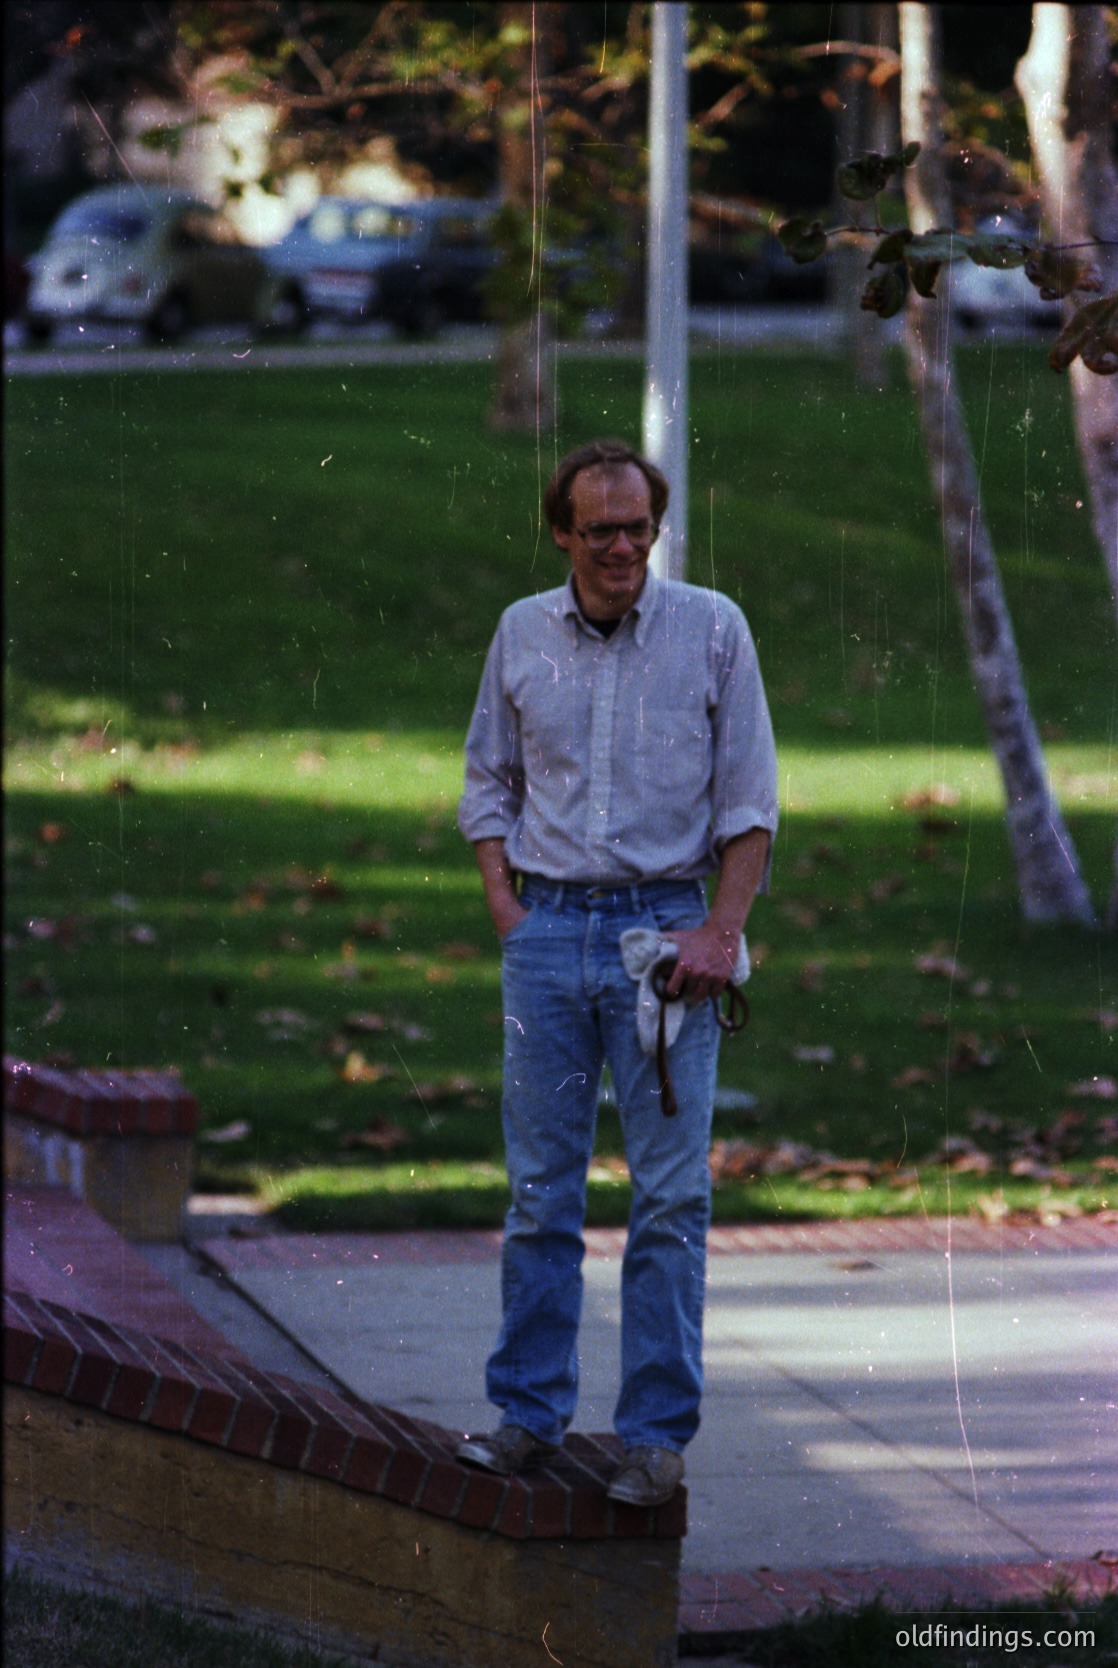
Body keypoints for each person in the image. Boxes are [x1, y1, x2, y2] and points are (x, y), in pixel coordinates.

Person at [455, 439, 778, 1507]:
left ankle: (651, 1439)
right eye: (600, 529)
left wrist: (716, 937)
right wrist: (507, 904)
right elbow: (486, 782)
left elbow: (748, 807)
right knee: (540, 1194)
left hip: (663, 945)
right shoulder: (518, 632)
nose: (622, 547)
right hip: (546, 937)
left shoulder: (711, 629)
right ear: (562, 533)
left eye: (638, 527)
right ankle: (526, 1418)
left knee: (670, 1197)